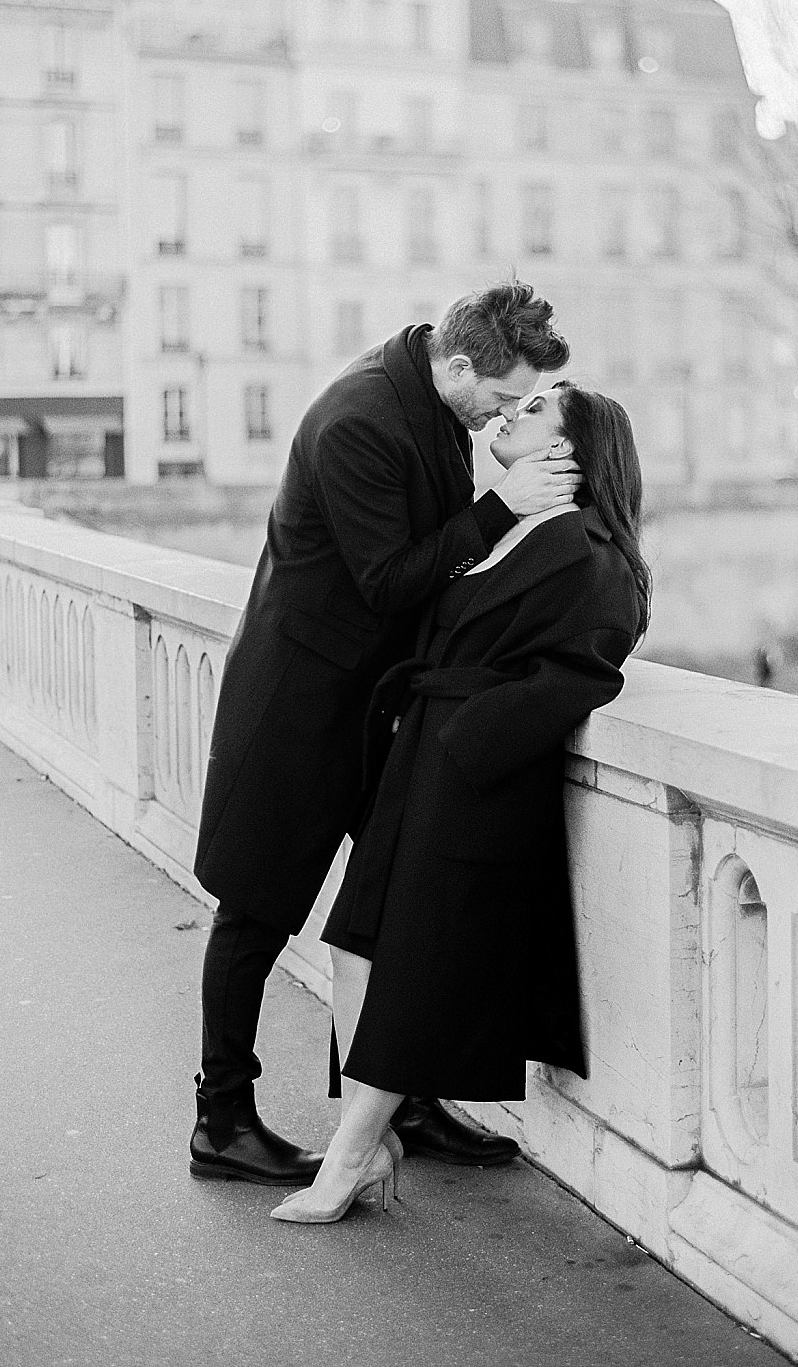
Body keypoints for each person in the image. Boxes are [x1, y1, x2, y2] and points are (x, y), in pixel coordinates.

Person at [189, 284, 576, 1186]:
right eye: (503, 395)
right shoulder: (359, 421)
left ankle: (399, 1097)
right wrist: (502, 507)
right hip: (295, 708)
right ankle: (221, 1121)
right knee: (254, 914)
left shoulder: (434, 403)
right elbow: (390, 581)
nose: (507, 413)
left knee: (399, 903)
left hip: (368, 705)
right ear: (457, 365)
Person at [271, 380, 651, 1223]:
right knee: (355, 949)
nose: (512, 413)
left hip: (471, 781)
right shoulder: (509, 525)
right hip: (416, 763)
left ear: (573, 453)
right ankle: (371, 1142)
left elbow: (588, 668)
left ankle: (349, 1160)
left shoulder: (595, 555)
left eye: (538, 409)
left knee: (408, 971)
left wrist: (468, 737)